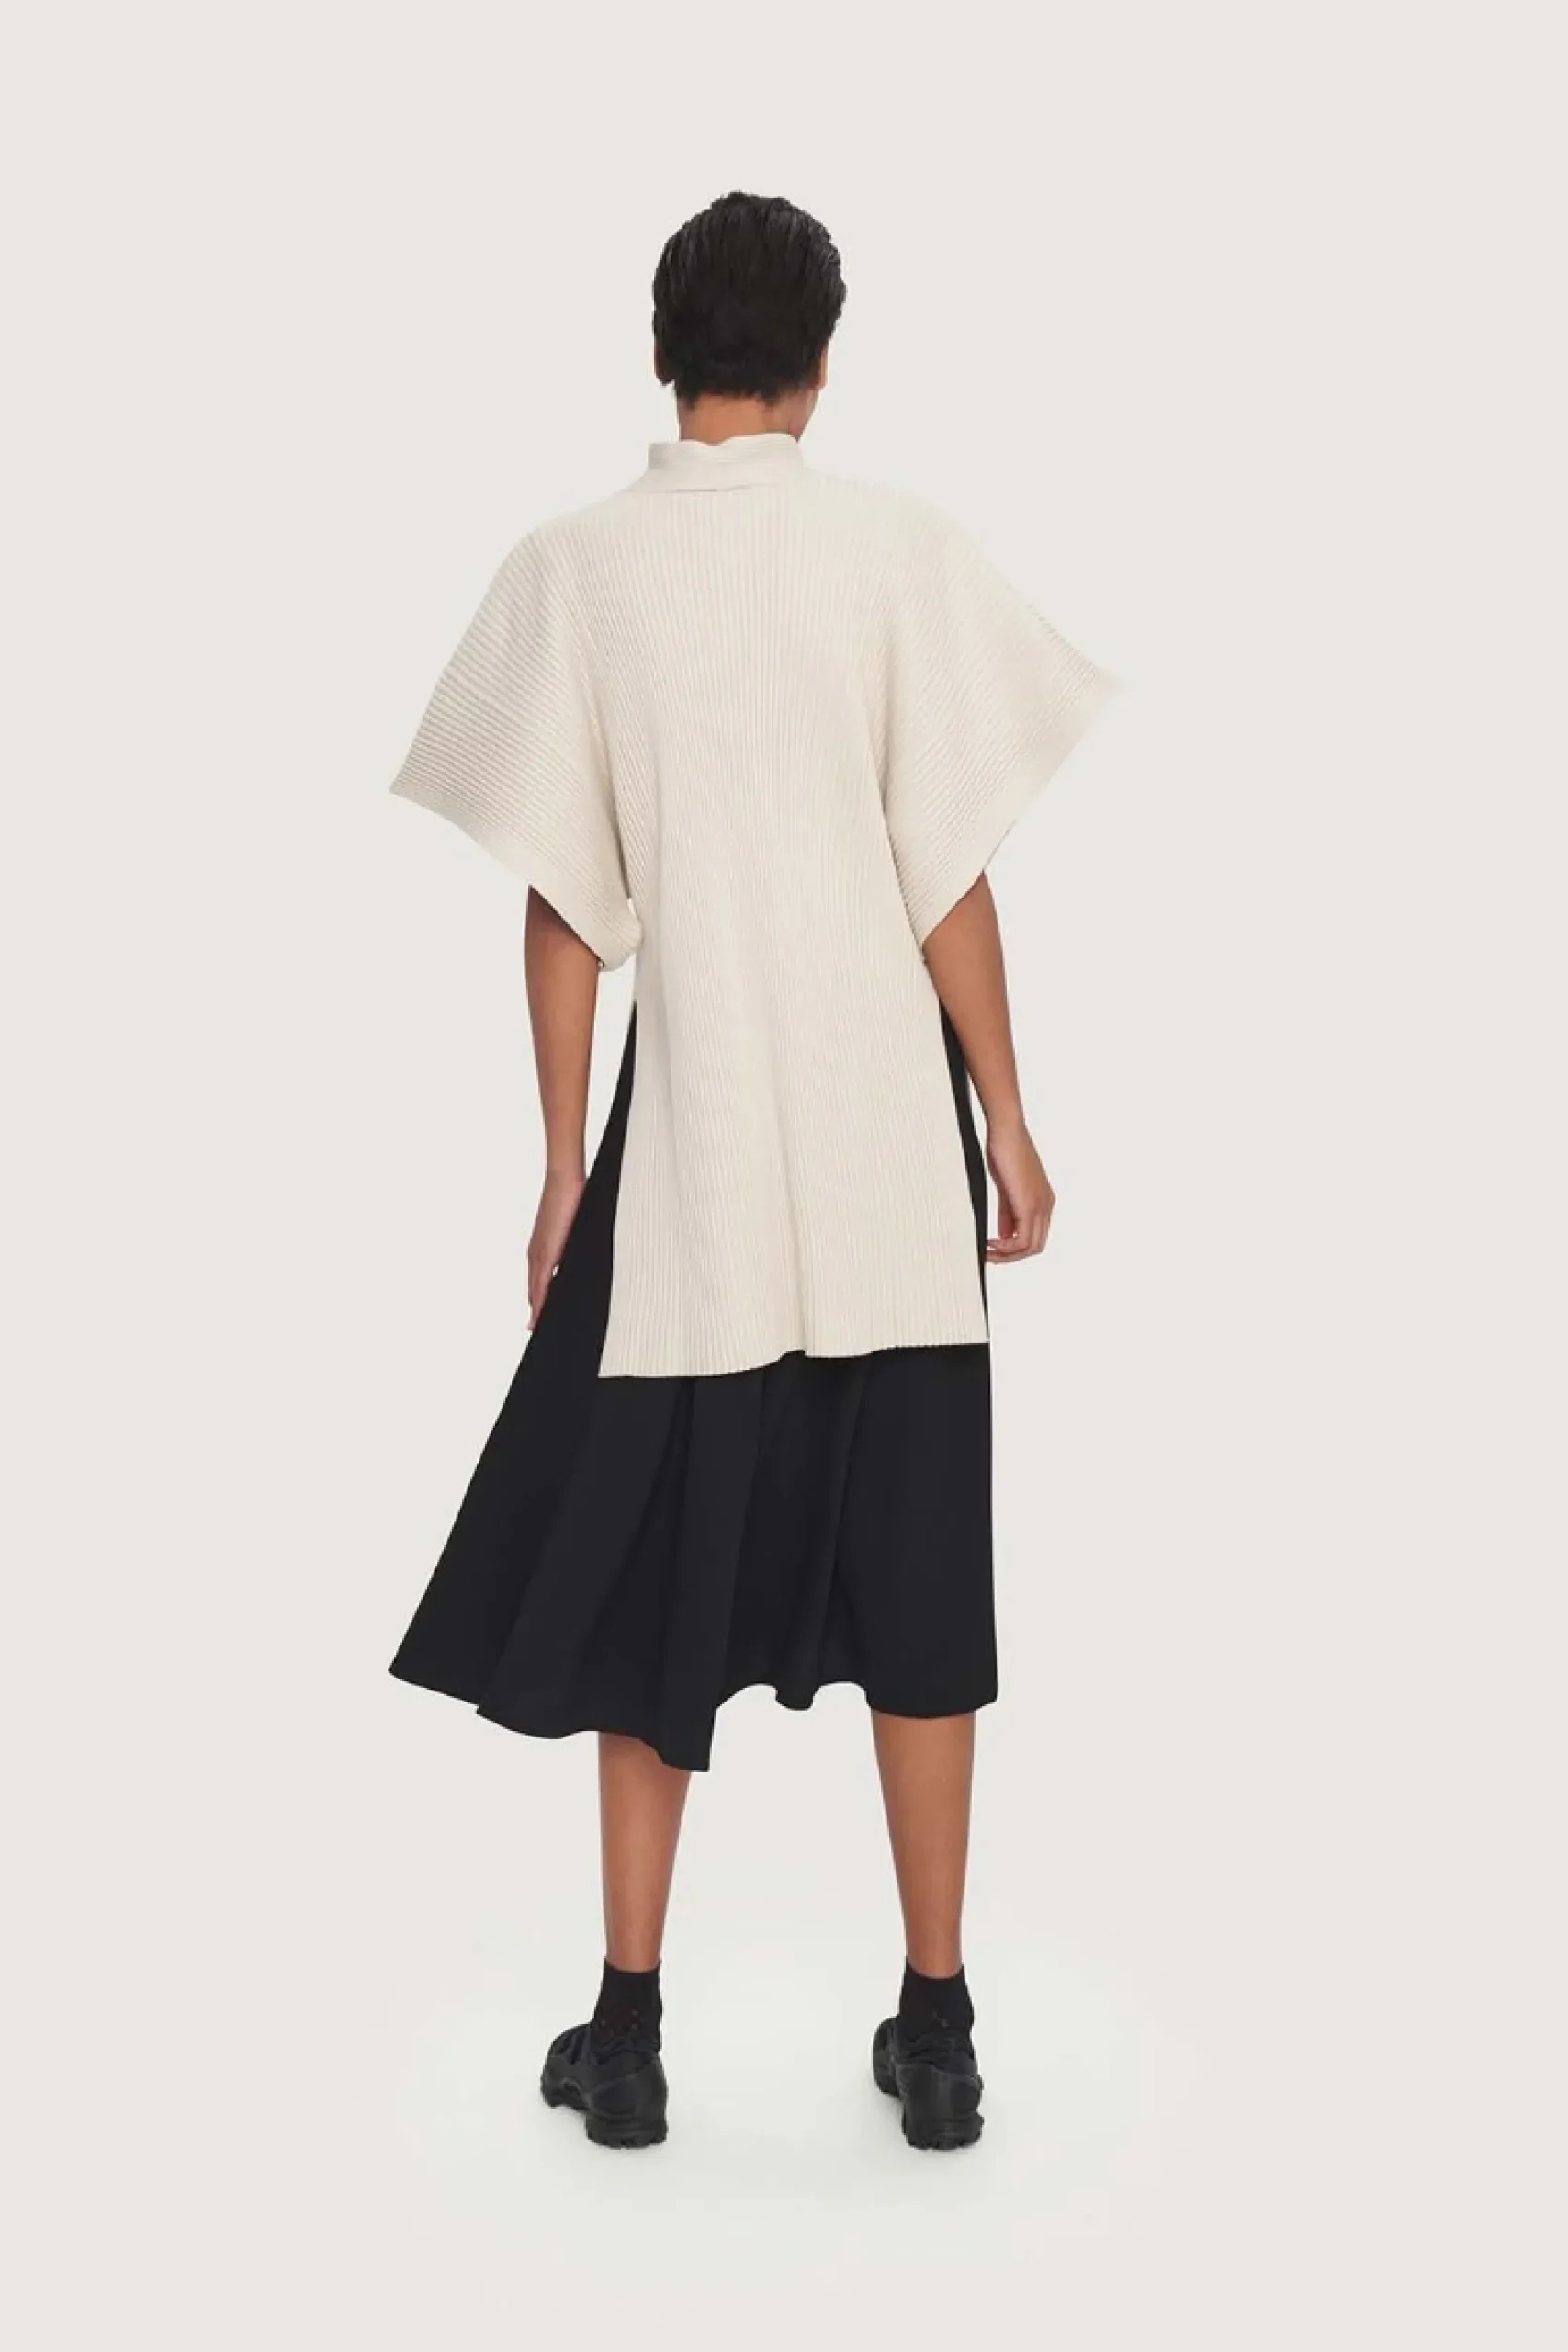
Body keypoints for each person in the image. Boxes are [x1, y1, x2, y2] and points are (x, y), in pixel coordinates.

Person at [386, 189, 1117, 2152]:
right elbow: (945, 869)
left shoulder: (575, 568)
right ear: (819, 363)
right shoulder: (894, 550)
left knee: (644, 1590)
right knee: (925, 1594)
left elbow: (564, 901)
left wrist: (561, 1167)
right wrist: (1009, 1114)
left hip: (691, 1166)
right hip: (889, 1164)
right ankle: (940, 2032)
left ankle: (624, 2035)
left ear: (661, 351)